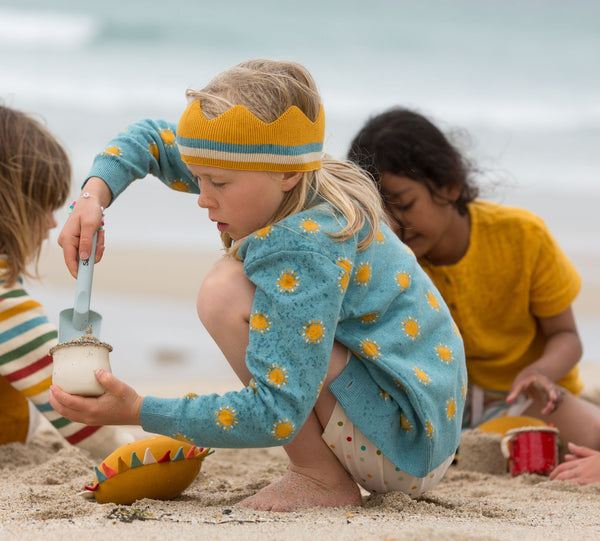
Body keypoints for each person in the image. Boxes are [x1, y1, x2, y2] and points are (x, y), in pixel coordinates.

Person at [49, 60, 467, 511]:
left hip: (403, 443)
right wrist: (91, 198)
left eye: (219, 183)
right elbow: (150, 137)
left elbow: (274, 414)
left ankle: (318, 478)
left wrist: (138, 409)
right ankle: (321, 471)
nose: (202, 196)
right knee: (245, 295)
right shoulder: (280, 174)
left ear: (287, 172)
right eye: (198, 176)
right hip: (419, 419)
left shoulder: (307, 246)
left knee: (224, 292)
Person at [347, 107, 600, 456]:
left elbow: (566, 336)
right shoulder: (390, 260)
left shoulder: (522, 235)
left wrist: (539, 374)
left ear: (449, 185)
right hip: (447, 402)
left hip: (530, 396)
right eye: (380, 211)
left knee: (592, 432)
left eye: (403, 204)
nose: (394, 224)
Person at [0, 104, 135, 456]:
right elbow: (81, 418)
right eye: (42, 206)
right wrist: (141, 451)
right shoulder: (4, 303)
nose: (50, 223)